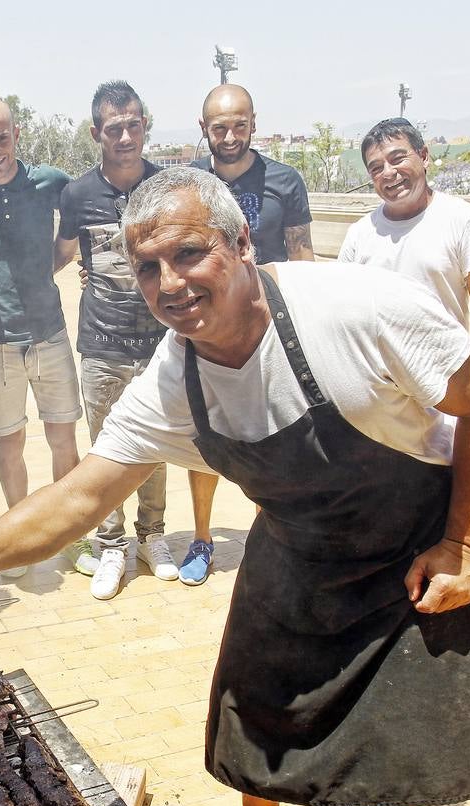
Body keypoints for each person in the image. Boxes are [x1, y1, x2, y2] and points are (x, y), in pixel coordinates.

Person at [0, 166, 470, 806]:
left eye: (188, 253)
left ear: (239, 242)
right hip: (296, 541)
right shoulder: (175, 378)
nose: (169, 283)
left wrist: (464, 543)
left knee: (387, 737)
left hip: (410, 545)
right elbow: (80, 498)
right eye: (147, 267)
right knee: (253, 702)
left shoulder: (353, 307)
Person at [178, 83, 316, 587]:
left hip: (273, 330)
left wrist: (309, 317)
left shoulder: (285, 180)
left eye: (240, 125)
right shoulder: (188, 184)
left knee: (285, 432)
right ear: (204, 129)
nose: (230, 136)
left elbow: (302, 254)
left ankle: (281, 532)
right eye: (220, 127)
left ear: (254, 124)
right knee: (205, 438)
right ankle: (201, 537)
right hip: (208, 329)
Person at [54, 81, 175, 600]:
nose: (125, 136)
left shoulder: (167, 186)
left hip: (158, 344)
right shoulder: (78, 194)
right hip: (100, 345)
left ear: (144, 125)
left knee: (155, 443)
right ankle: (110, 545)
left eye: (133, 124)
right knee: (106, 448)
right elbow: (58, 254)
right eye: (113, 127)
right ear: (96, 132)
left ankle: (153, 538)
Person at [0, 97, 82, 578]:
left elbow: (81, 216)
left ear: (16, 134)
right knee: (9, 445)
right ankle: (18, 539)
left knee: (63, 441)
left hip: (49, 332)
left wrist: (52, 269)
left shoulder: (49, 181)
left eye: (2, 139)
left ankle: (72, 535)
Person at [340, 117, 470, 360]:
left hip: (445, 380)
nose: (389, 173)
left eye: (397, 159)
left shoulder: (463, 219)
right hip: (380, 385)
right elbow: (345, 308)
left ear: (424, 156)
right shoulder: (359, 234)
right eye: (376, 168)